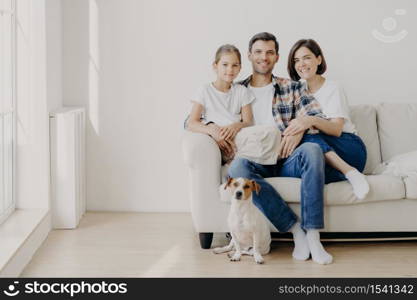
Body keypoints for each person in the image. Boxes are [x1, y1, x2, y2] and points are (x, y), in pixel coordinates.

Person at [227, 32, 333, 264]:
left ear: (276, 57)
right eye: (258, 52)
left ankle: (313, 235)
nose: (263, 57)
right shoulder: (234, 91)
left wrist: (300, 128)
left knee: (313, 150)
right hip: (254, 163)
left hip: (287, 158)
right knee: (237, 168)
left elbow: (316, 115)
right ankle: (296, 231)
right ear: (249, 56)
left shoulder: (292, 87)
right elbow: (195, 118)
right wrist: (213, 129)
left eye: (269, 52)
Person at [286, 39, 369, 199]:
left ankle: (351, 172)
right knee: (306, 150)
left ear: (318, 59)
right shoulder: (296, 91)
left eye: (306, 57)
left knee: (308, 137)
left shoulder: (333, 88)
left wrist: (310, 120)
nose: (301, 64)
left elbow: (336, 129)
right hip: (321, 157)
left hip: (348, 148)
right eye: (296, 60)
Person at [187, 44, 254, 162]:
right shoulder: (205, 90)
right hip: (215, 139)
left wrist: (236, 125)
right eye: (225, 65)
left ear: (240, 67)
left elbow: (248, 122)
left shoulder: (241, 91)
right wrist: (213, 132)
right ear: (215, 65)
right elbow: (191, 123)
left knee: (269, 134)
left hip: (237, 137)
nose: (230, 69)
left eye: (235, 65)